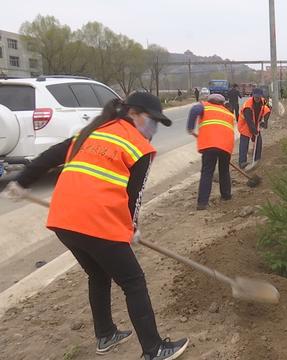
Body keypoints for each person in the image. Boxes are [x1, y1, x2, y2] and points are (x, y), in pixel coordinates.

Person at [1, 92, 189, 360]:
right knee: (133, 282)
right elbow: (133, 197)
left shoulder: (93, 132)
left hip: (64, 220)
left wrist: (22, 183)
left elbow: (48, 158)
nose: (154, 128)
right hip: (96, 222)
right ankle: (154, 349)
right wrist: (132, 228)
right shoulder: (139, 147)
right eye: (152, 120)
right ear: (133, 114)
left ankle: (106, 334)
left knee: (98, 275)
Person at [186, 94, 235, 210]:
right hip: (226, 146)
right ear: (222, 103)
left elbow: (194, 109)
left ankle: (202, 203)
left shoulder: (205, 106)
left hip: (210, 145)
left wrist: (190, 128)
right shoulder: (228, 113)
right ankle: (226, 195)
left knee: (207, 172)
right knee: (224, 171)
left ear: (210, 101)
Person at [237, 88, 271, 168]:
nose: (257, 99)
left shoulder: (263, 102)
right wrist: (254, 131)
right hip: (245, 125)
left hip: (256, 123)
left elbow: (267, 111)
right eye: (256, 97)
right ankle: (242, 162)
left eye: (259, 97)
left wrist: (265, 122)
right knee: (244, 143)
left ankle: (257, 159)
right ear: (253, 96)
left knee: (258, 141)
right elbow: (249, 121)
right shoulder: (247, 106)